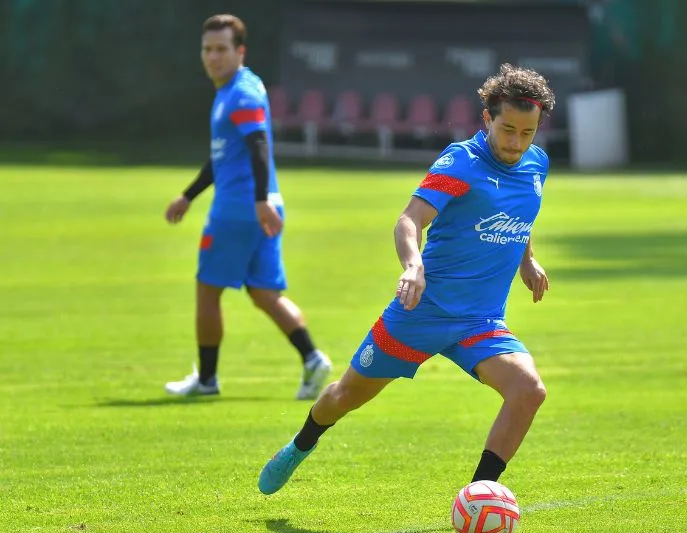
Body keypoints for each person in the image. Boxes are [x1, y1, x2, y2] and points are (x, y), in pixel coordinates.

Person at [256, 63, 555, 494]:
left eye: (527, 133)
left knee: (529, 390)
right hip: (421, 313)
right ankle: (298, 447)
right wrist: (413, 265)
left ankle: (479, 495)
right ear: (487, 118)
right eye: (507, 129)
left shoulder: (536, 165)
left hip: (481, 323)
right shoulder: (461, 162)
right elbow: (410, 219)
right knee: (344, 396)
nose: (516, 143)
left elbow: (519, 216)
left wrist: (528, 259)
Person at [163, 14, 331, 400]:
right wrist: (189, 195)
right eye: (207, 49)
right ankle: (312, 359)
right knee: (264, 294)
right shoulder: (235, 90)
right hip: (260, 207)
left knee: (207, 292)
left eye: (221, 49)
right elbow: (225, 158)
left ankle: (206, 381)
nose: (213, 57)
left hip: (240, 209)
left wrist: (256, 201)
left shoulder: (240, 93)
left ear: (240, 51)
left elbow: (258, 145)